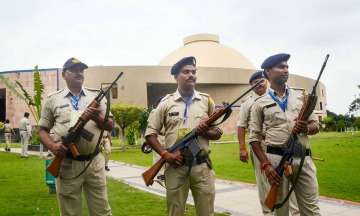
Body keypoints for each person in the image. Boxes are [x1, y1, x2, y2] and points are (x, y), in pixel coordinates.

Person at [145, 56, 223, 216]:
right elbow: (150, 134)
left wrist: (205, 131)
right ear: (176, 76)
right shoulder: (166, 103)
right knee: (175, 212)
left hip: (201, 167)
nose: (191, 75)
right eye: (186, 72)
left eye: (194, 72)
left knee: (207, 212)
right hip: (175, 167)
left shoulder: (206, 101)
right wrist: (165, 155)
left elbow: (217, 133)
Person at [39, 57, 113, 216]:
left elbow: (110, 125)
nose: (79, 73)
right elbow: (42, 130)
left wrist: (95, 117)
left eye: (82, 70)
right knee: (70, 212)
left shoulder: (96, 97)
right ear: (64, 74)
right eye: (74, 70)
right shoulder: (53, 99)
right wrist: (53, 146)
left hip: (94, 162)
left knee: (102, 211)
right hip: (66, 163)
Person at [249, 53, 321, 216]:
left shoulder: (301, 97)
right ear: (268, 72)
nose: (286, 70)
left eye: (287, 67)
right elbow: (254, 139)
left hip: (303, 159)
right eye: (281, 67)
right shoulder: (259, 103)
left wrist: (305, 128)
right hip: (275, 162)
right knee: (279, 210)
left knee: (311, 210)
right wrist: (266, 165)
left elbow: (315, 125)